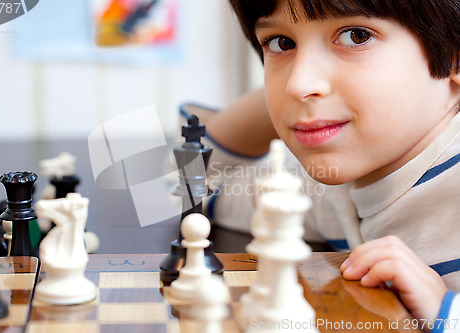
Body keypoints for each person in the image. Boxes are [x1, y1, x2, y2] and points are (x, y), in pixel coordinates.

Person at [194, 0, 460, 330]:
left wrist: (448, 315)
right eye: (281, 42)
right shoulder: (324, 187)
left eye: (356, 36)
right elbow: (192, 183)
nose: (299, 84)